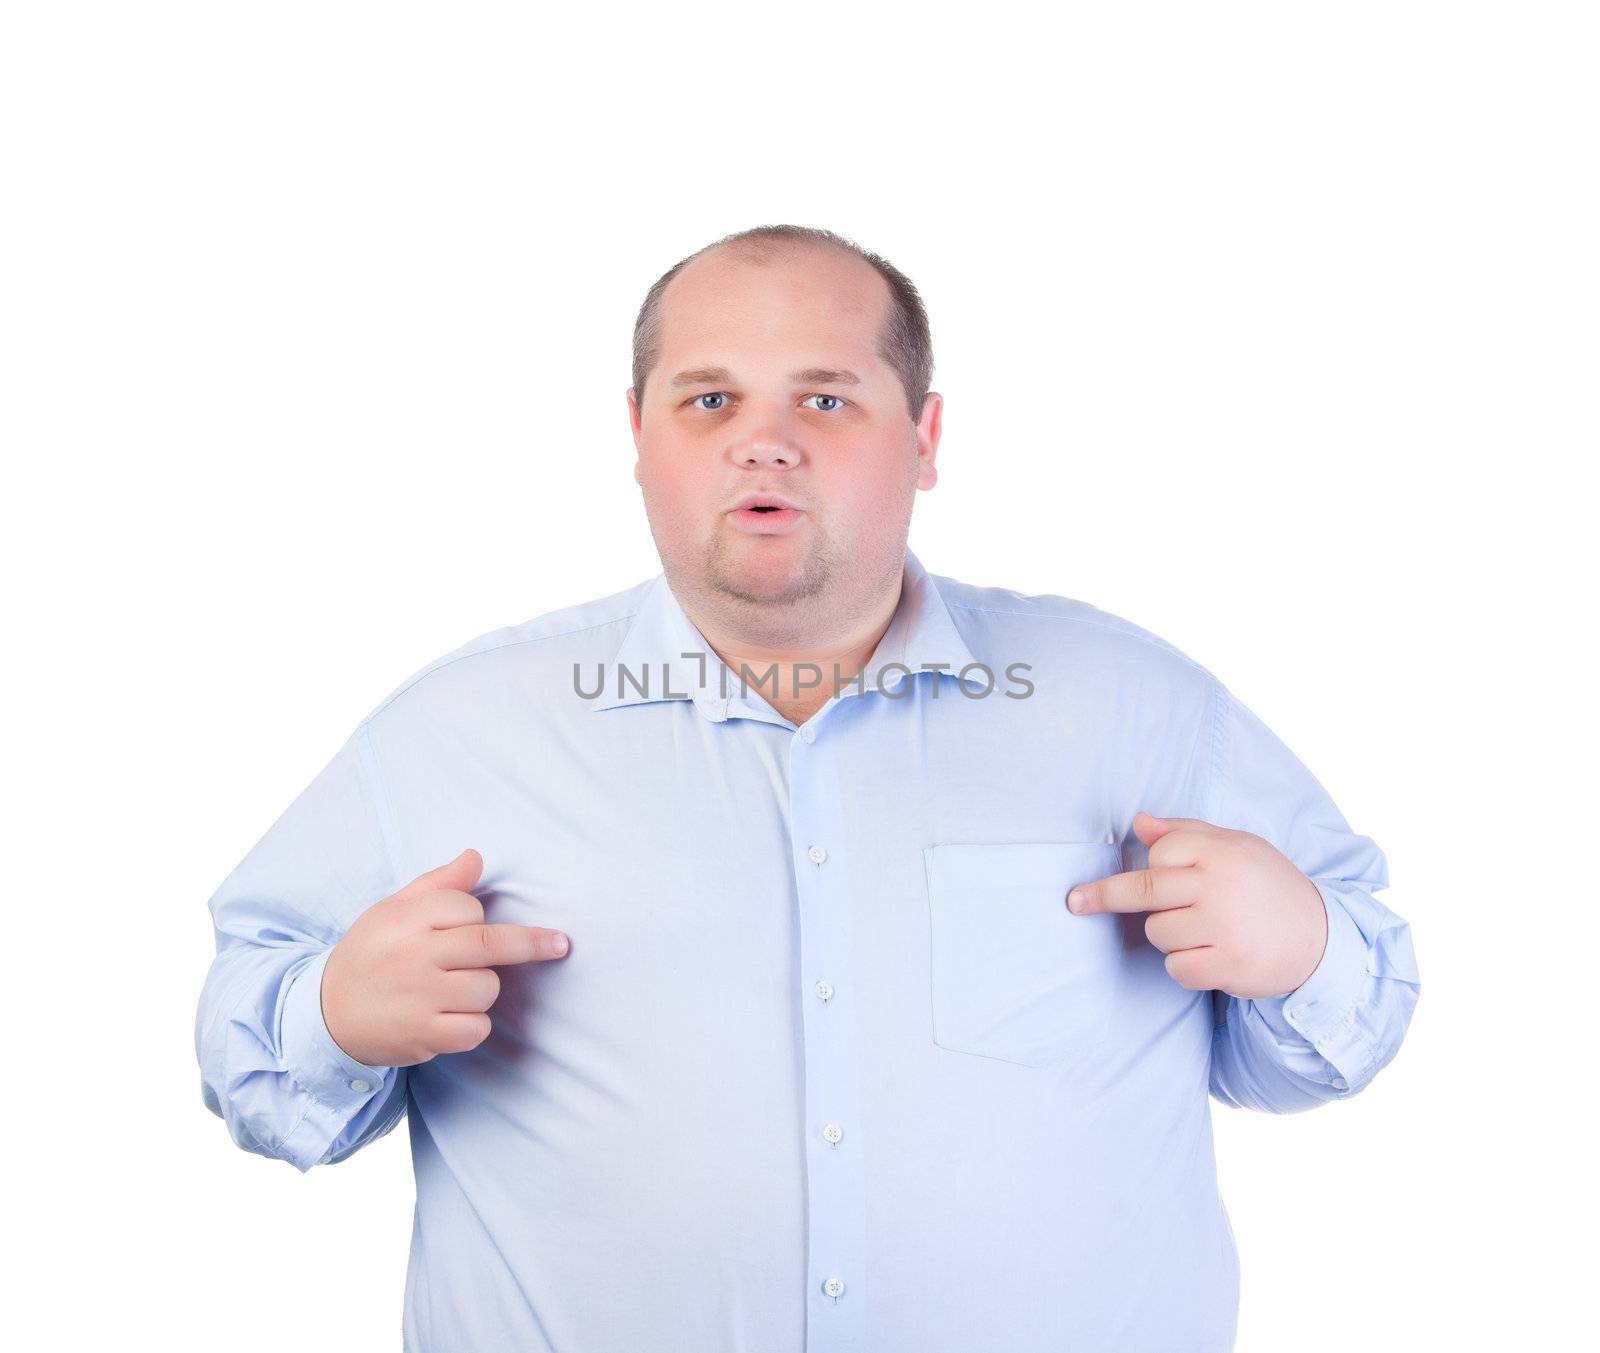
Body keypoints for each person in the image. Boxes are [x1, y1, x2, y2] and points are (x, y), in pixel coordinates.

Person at [194, 224, 1421, 1352]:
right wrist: (334, 1015)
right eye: (709, 397)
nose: (762, 440)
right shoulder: (453, 734)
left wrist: (1303, 944)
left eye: (824, 397)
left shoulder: (1140, 710)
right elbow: (261, 1084)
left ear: (926, 439)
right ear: (636, 436)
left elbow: (1325, 1050)